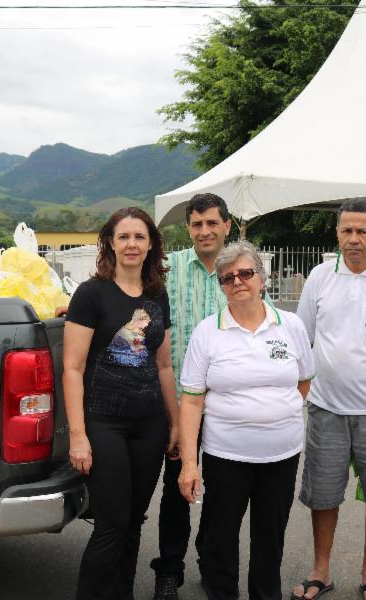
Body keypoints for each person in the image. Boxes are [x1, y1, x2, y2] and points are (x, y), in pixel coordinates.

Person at [178, 240, 315, 600]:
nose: (237, 281)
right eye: (227, 277)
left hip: (281, 456)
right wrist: (189, 464)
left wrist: (273, 414)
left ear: (262, 278)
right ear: (221, 285)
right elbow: (191, 403)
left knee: (270, 539)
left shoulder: (291, 326)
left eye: (245, 273)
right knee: (220, 538)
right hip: (226, 456)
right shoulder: (207, 332)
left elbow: (303, 380)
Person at [291, 198, 366, 600]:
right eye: (347, 231)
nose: (354, 239)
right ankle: (320, 571)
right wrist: (308, 394)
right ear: (337, 234)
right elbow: (301, 341)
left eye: (363, 231)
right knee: (323, 495)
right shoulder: (320, 278)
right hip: (326, 409)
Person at [63, 207, 180, 600]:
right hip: (104, 424)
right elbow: (73, 368)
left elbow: (163, 366)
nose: (132, 244)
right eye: (124, 237)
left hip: (149, 426)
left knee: (133, 522)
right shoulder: (91, 293)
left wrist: (176, 422)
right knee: (111, 523)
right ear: (110, 243)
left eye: (140, 237)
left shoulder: (157, 295)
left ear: (151, 245)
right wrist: (78, 435)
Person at [150, 193, 233, 600]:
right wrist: (79, 307)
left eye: (212, 223)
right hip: (179, 403)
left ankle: (211, 562)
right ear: (189, 229)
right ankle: (169, 570)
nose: (205, 231)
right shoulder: (168, 269)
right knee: (176, 490)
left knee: (220, 490)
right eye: (197, 224)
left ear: (226, 226)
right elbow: (128, 296)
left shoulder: (238, 273)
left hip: (225, 407)